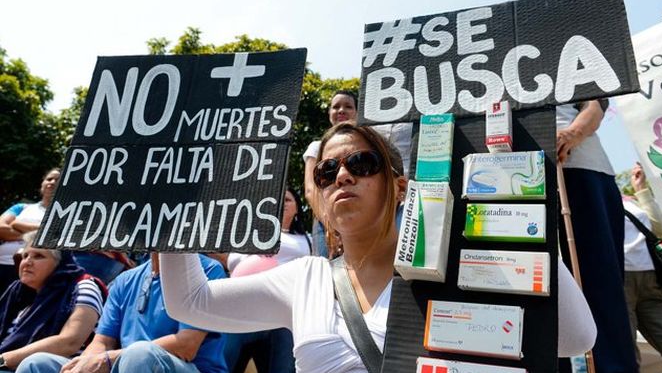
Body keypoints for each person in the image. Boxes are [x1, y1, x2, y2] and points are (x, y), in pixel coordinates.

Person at [160, 123, 597, 371]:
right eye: (326, 172)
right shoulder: (306, 280)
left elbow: (577, 337)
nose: (342, 177)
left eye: (361, 163)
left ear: (401, 187)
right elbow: (190, 302)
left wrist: (516, 220)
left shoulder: (457, 264)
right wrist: (170, 198)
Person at [16, 253, 228, 373]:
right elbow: (102, 341)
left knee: (140, 354)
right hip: (125, 363)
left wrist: (108, 359)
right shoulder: (126, 279)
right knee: (36, 364)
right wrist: (84, 365)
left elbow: (187, 346)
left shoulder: (209, 270)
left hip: (189, 368)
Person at [556, 100, 637, 372]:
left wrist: (571, 135)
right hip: (510, 172)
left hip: (577, 166)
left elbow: (595, 104)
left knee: (598, 285)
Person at [223, 188, 311, 373]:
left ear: (297, 208)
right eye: (277, 200)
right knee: (223, 366)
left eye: (287, 200)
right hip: (239, 311)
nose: (281, 203)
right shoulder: (248, 236)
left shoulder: (308, 240)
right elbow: (229, 261)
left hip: (281, 315)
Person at [0, 231, 103, 372]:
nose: (27, 262)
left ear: (60, 263)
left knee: (34, 362)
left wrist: (3, 360)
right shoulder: (19, 295)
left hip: (62, 366)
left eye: (38, 256)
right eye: (25, 255)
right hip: (9, 365)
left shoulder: (83, 286)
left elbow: (69, 342)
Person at [303, 90, 358, 258]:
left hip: (357, 217)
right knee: (326, 275)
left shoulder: (363, 145)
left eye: (348, 106)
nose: (341, 110)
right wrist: (330, 225)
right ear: (329, 114)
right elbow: (311, 190)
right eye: (336, 107)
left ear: (357, 113)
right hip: (324, 221)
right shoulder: (317, 147)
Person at [622, 163, 662, 364]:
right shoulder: (593, 202)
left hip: (652, 278)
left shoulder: (630, 201)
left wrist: (641, 189)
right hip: (621, 279)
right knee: (627, 350)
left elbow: (659, 228)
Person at [0, 169, 60, 293]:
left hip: (35, 273)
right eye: (49, 179)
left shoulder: (64, 215)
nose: (52, 182)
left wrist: (18, 225)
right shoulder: (21, 208)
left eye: (58, 180)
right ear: (42, 183)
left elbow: (58, 237)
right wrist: (43, 232)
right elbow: (1, 228)